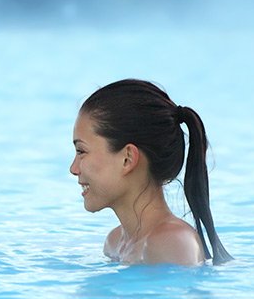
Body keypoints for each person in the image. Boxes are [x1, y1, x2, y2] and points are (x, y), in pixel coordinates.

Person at [71, 79, 232, 266]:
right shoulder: (114, 244)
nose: (73, 169)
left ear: (127, 159)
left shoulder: (175, 244)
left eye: (81, 151)